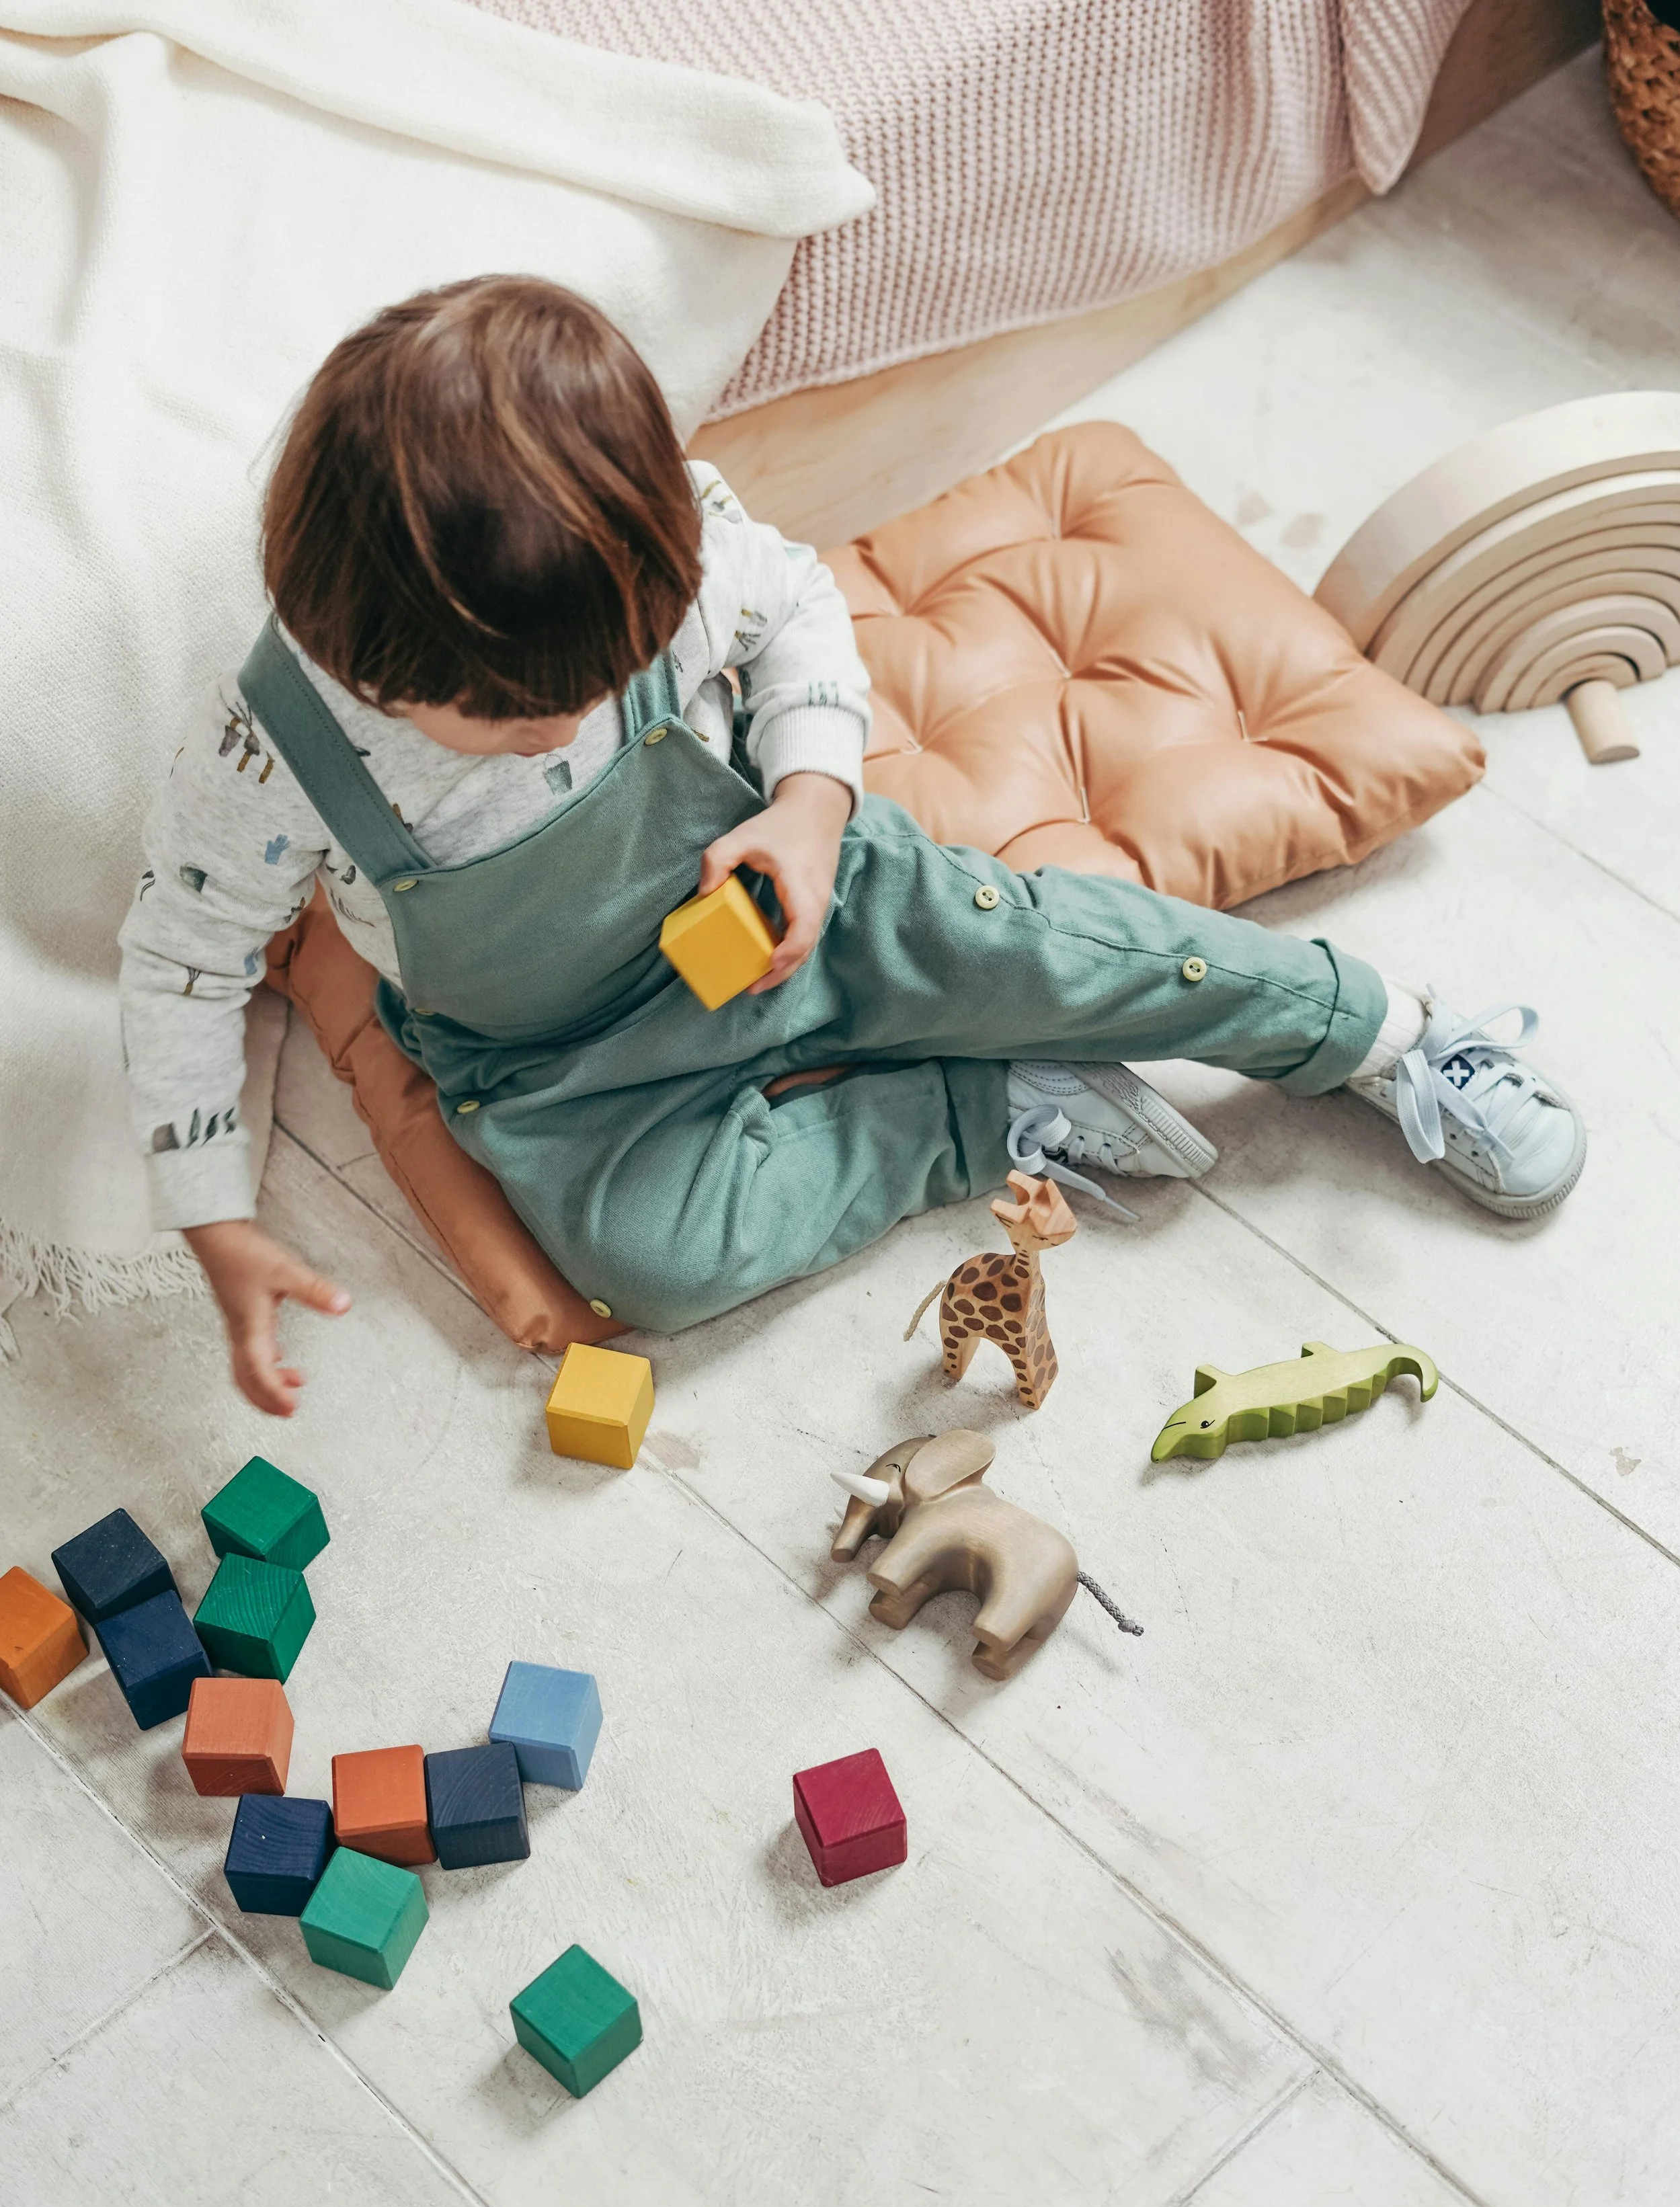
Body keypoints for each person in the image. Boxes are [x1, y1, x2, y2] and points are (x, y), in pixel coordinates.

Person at [118, 276, 1586, 1418]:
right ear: (345, 644)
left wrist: (807, 807)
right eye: (492, 720)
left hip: (813, 901)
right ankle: (976, 1111)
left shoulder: (670, 553)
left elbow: (797, 615)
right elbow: (178, 967)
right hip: (562, 1063)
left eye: (582, 694)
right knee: (654, 1265)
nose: (545, 730)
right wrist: (214, 1220)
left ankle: (1373, 1031)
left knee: (1058, 943)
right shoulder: (269, 750)